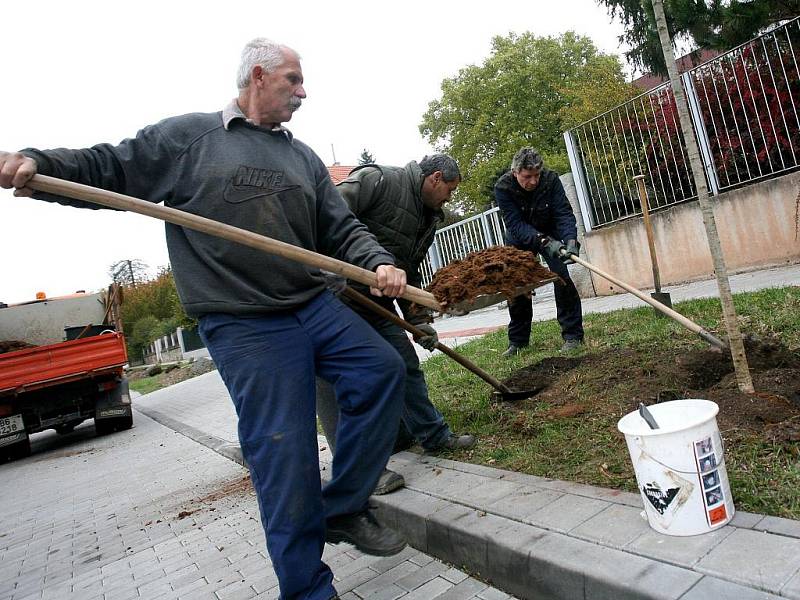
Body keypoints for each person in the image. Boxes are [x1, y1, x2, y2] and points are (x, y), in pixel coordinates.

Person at [0, 38, 410, 600]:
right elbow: (111, 166)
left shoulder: (302, 157)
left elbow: (340, 228)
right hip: (243, 321)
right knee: (282, 450)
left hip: (311, 303)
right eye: (293, 79)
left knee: (381, 371)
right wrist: (39, 163)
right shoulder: (190, 139)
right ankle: (309, 589)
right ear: (259, 76)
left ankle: (341, 507)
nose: (303, 90)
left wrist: (379, 262)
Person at [316, 155, 476, 495]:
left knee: (404, 366)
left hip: (375, 304)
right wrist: (327, 268)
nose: (449, 198)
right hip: (333, 299)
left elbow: (409, 270)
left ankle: (434, 436)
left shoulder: (430, 217)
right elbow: (325, 214)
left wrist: (418, 320)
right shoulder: (377, 181)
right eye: (449, 190)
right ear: (434, 178)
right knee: (350, 382)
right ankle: (362, 470)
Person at [494, 147, 584, 356]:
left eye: (536, 175)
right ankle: (518, 341)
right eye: (527, 176)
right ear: (515, 173)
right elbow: (515, 224)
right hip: (519, 237)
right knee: (517, 286)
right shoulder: (503, 188)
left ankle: (573, 336)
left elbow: (563, 212)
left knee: (561, 278)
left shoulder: (550, 180)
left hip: (550, 230)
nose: (533, 181)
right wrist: (544, 242)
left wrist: (570, 240)